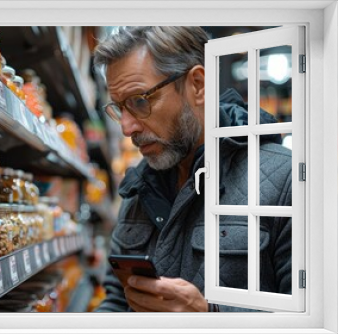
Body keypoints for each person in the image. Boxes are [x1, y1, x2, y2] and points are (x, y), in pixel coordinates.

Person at [93, 26, 292, 312]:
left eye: (139, 101)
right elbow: (116, 299)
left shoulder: (285, 180)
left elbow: (309, 319)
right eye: (119, 108)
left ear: (198, 84)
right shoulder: (139, 187)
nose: (127, 128)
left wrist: (208, 319)